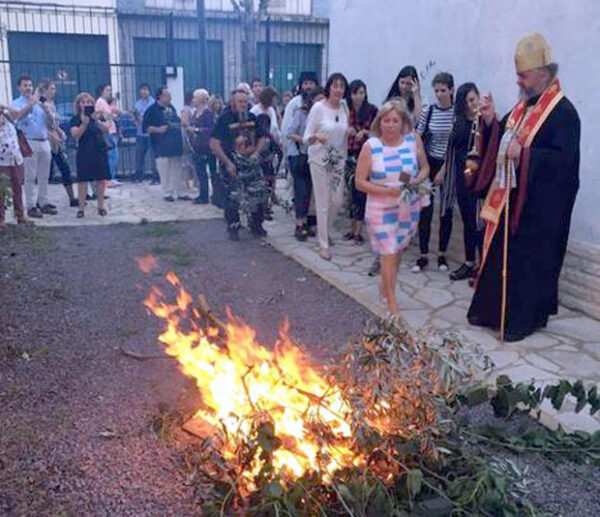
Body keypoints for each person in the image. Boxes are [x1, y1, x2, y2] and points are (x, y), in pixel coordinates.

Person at [467, 33, 580, 342]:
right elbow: (501, 137)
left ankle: (522, 321)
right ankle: (492, 313)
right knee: (501, 259)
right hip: (511, 201)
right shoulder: (522, 108)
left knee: (529, 267)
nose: (518, 80)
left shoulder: (564, 113)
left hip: (540, 211)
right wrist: (489, 121)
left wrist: (526, 155)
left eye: (524, 75)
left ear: (543, 74)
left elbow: (564, 164)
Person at [355, 99, 429, 315]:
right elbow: (359, 182)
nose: (390, 125)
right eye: (386, 120)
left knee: (396, 253)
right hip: (380, 210)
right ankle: (392, 304)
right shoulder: (371, 146)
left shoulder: (412, 141)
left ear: (402, 122)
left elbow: (424, 168)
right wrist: (386, 191)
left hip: (406, 208)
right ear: (380, 122)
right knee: (388, 252)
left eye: (395, 120)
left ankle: (385, 287)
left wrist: (413, 182)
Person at [303, 72, 349, 261]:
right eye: (335, 85)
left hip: (337, 160)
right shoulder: (318, 108)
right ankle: (323, 245)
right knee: (323, 203)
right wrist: (316, 137)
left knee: (337, 201)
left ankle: (325, 231)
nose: (338, 89)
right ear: (329, 87)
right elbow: (306, 138)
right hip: (319, 160)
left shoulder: (344, 108)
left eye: (341, 86)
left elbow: (344, 137)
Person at [210, 89, 267, 240]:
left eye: (245, 102)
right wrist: (227, 163)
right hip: (232, 163)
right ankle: (233, 226)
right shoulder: (224, 120)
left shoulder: (252, 118)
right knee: (233, 197)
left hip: (251, 163)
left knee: (258, 194)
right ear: (232, 103)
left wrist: (256, 153)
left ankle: (256, 225)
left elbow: (262, 137)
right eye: (240, 102)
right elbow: (214, 143)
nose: (243, 105)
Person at [412, 72, 455, 273]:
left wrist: (444, 170)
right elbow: (418, 135)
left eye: (443, 90)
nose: (439, 94)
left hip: (448, 165)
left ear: (451, 90)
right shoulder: (429, 111)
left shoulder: (456, 114)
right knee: (425, 209)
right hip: (428, 163)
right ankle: (423, 255)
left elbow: (455, 145)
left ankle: (442, 254)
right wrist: (424, 165)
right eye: (436, 90)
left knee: (445, 211)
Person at [443, 83, 484, 281]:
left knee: (479, 223)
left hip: (479, 181)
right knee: (467, 221)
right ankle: (469, 262)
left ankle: (483, 266)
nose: (470, 105)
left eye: (472, 99)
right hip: (461, 179)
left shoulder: (485, 122)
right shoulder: (458, 122)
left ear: (478, 97)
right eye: (465, 102)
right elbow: (451, 150)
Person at [10, 75, 55, 218]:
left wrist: (48, 112)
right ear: (19, 87)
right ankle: (31, 205)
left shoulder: (40, 103)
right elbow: (17, 117)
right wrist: (30, 104)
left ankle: (43, 202)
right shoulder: (16, 103)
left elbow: (50, 125)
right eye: (25, 85)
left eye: (30, 85)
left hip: (44, 140)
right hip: (28, 141)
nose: (28, 88)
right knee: (30, 175)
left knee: (44, 175)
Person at [286, 86, 325, 241]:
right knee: (301, 190)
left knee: (310, 191)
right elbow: (289, 132)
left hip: (315, 157)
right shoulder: (301, 113)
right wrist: (305, 140)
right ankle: (299, 224)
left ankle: (308, 221)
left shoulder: (326, 116)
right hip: (299, 155)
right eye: (317, 100)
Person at [344, 79, 378, 245]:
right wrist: (347, 130)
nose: (358, 96)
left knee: (361, 193)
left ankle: (358, 230)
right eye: (355, 93)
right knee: (351, 192)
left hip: (365, 155)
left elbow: (378, 132)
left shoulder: (372, 110)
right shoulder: (345, 110)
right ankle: (352, 228)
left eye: (361, 93)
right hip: (348, 154)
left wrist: (364, 132)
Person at [69, 92, 111, 218]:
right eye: (83, 102)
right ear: (78, 104)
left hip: (99, 149)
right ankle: (81, 208)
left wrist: (97, 121)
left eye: (89, 102)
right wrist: (84, 124)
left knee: (101, 179)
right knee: (83, 180)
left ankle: (101, 206)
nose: (86, 104)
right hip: (84, 150)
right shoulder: (76, 118)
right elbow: (75, 134)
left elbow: (107, 128)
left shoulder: (98, 116)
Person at [38, 78, 77, 207]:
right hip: (47, 140)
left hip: (56, 141)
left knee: (65, 168)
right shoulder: (41, 105)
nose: (54, 91)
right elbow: (42, 124)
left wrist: (59, 131)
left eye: (54, 88)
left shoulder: (52, 103)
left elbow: (55, 123)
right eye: (52, 88)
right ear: (45, 90)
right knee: (46, 172)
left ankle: (72, 198)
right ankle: (41, 200)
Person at [143, 85, 184, 203]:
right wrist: (158, 129)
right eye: (168, 95)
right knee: (164, 167)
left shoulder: (171, 108)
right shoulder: (151, 110)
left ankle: (178, 191)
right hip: (160, 144)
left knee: (176, 167)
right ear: (160, 96)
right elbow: (145, 127)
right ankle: (168, 192)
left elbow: (177, 121)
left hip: (174, 143)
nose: (170, 98)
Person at [0, 106, 30, 227]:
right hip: (2, 162)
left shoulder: (9, 120)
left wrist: (5, 107)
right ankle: (1, 219)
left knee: (17, 188)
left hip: (15, 159)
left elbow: (17, 113)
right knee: (1, 190)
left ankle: (20, 214)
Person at [186, 88, 214, 205]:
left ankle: (213, 195)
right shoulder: (195, 112)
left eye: (195, 97)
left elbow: (210, 130)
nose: (193, 100)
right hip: (196, 146)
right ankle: (203, 194)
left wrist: (196, 130)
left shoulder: (207, 113)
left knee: (210, 172)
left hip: (206, 147)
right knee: (200, 172)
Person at [95, 84, 121, 187]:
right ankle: (109, 178)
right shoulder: (100, 102)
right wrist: (110, 117)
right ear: (101, 91)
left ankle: (111, 177)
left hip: (111, 129)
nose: (109, 92)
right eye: (107, 90)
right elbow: (100, 116)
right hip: (107, 131)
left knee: (113, 155)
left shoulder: (104, 102)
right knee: (112, 155)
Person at [133, 83, 158, 183]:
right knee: (139, 155)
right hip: (140, 133)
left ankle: (155, 176)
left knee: (153, 156)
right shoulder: (137, 103)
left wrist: (143, 118)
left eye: (145, 89)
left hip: (151, 133)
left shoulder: (153, 103)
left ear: (149, 91)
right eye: (142, 89)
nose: (143, 91)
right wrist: (136, 119)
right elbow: (136, 116)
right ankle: (139, 176)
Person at [208, 94, 225, 208]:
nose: (217, 105)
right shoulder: (209, 116)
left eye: (218, 103)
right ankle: (215, 192)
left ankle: (220, 193)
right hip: (211, 146)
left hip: (221, 145)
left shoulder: (222, 116)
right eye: (215, 103)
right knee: (213, 171)